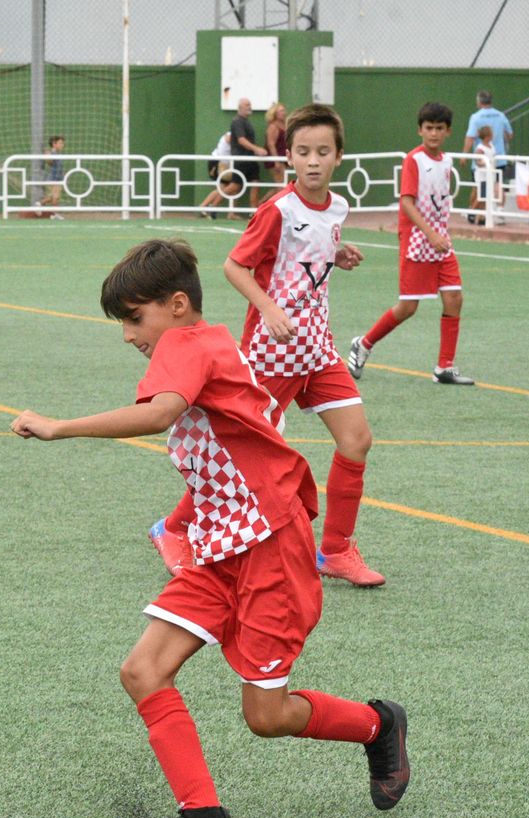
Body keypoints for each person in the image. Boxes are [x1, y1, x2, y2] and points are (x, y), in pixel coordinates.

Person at [9, 237, 410, 818]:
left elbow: (159, 413)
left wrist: (60, 427)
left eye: (133, 320)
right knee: (143, 671)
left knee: (266, 717)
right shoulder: (209, 341)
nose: (127, 335)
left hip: (270, 547)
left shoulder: (187, 346)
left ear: (175, 306)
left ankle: (378, 725)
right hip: (222, 547)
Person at [158, 104, 383, 588]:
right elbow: (235, 266)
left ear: (339, 156)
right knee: (241, 451)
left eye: (323, 151)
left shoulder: (338, 208)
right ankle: (173, 528)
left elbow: (307, 253)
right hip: (271, 351)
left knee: (356, 440)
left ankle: (337, 551)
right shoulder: (276, 210)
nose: (313, 161)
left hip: (317, 349)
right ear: (289, 157)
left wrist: (335, 254)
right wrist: (270, 308)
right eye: (303, 152)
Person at [347, 102, 475, 388]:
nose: (433, 133)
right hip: (418, 241)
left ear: (448, 132)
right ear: (420, 130)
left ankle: (445, 366)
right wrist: (430, 234)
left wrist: (440, 233)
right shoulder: (414, 160)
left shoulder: (447, 162)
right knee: (408, 307)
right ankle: (364, 343)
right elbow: (407, 202)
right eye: (428, 128)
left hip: (441, 242)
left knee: (454, 298)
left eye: (439, 128)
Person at [463, 90, 514, 199]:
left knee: (477, 188)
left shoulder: (476, 117)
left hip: (481, 162)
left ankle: (473, 214)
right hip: (498, 159)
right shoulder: (501, 115)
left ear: (479, 101)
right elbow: (509, 135)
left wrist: (464, 156)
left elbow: (470, 138)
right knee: (496, 187)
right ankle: (496, 211)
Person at [228, 97, 267, 209]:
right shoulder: (237, 121)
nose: (249, 107)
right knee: (235, 186)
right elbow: (241, 139)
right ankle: (209, 206)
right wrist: (256, 149)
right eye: (247, 105)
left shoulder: (245, 121)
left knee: (255, 182)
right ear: (240, 107)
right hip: (241, 158)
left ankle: (252, 211)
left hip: (250, 158)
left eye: (249, 105)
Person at [466, 124, 500, 223]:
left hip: (490, 175)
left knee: (487, 197)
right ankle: (471, 212)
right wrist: (485, 163)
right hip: (482, 176)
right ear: (487, 136)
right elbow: (477, 161)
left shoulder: (491, 146)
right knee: (482, 196)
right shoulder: (480, 148)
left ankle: (481, 217)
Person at [264, 102, 288, 196]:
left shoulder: (284, 125)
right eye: (281, 111)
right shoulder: (273, 126)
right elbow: (271, 144)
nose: (283, 113)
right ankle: (261, 207)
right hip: (276, 160)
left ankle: (260, 205)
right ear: (275, 113)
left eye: (284, 110)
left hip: (282, 159)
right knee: (281, 187)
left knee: (281, 186)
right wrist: (276, 161)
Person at [41, 134, 66, 213]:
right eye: (60, 143)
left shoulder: (59, 154)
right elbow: (49, 162)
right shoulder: (51, 153)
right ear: (54, 144)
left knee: (53, 197)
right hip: (52, 179)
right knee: (55, 197)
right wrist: (47, 155)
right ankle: (55, 214)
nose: (63, 145)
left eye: (62, 143)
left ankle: (39, 204)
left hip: (59, 179)